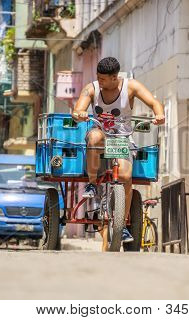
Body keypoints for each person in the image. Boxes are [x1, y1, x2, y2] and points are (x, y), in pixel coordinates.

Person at [72, 57, 165, 249]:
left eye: (104, 79)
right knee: (94, 137)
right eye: (98, 78)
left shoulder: (131, 87)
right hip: (100, 136)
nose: (100, 82)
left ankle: (121, 225)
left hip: (122, 139)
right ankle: (91, 184)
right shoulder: (92, 89)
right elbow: (78, 109)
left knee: (125, 176)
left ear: (115, 77)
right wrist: (79, 114)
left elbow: (154, 103)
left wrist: (159, 115)